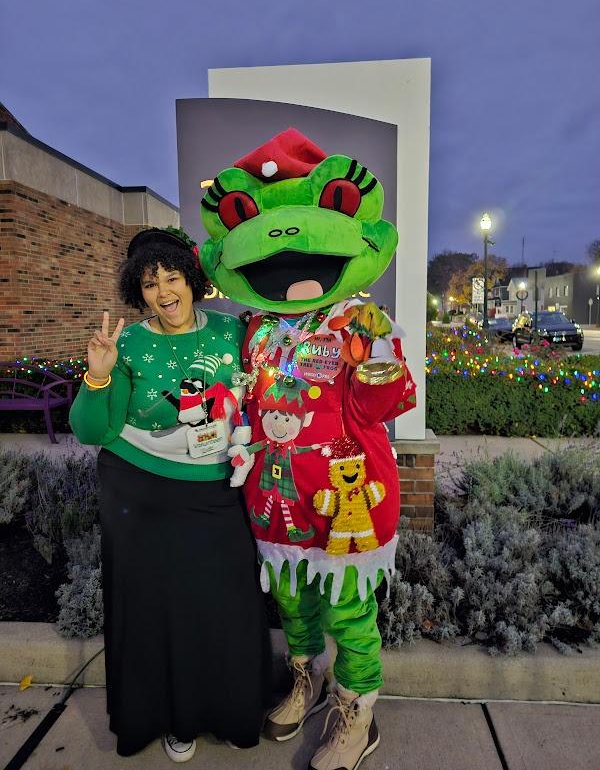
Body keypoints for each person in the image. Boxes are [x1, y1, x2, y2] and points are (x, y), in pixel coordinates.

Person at [200, 129, 416, 770]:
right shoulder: (256, 330)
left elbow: (382, 406)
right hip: (275, 498)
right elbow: (243, 397)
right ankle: (306, 679)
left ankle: (357, 715)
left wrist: (374, 360)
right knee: (293, 598)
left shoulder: (362, 322)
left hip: (347, 495)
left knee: (349, 612)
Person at [69, 228, 271, 762]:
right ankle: (171, 718)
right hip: (143, 496)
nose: (163, 291)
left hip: (216, 496)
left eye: (172, 277)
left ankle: (228, 711)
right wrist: (98, 375)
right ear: (140, 291)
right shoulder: (129, 343)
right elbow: (93, 431)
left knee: (224, 609)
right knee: (158, 616)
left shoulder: (234, 331)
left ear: (191, 279)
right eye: (150, 282)